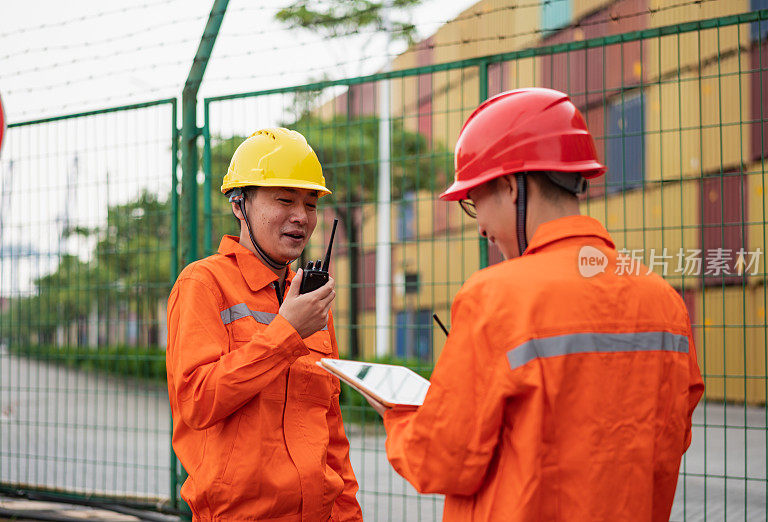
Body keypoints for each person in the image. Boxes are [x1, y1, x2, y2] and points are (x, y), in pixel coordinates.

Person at [373, 88, 704, 521]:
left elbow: (441, 460)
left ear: (510, 187)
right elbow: (669, 438)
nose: (481, 229)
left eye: (475, 203)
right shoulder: (664, 301)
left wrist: (398, 416)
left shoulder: (495, 298)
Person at [166, 128, 362, 521]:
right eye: (285, 200)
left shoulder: (309, 300)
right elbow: (197, 402)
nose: (301, 217)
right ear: (240, 205)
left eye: (310, 204)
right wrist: (287, 333)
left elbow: (332, 433)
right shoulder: (203, 284)